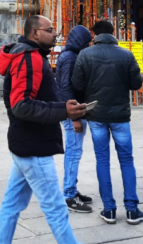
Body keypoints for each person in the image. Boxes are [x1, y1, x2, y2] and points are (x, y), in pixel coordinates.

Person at [0, 15, 86, 244]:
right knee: (56, 210)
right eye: (50, 29)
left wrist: (63, 108)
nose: (55, 33)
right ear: (35, 33)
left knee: (11, 205)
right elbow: (21, 105)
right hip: (33, 144)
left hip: (23, 142)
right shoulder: (29, 58)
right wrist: (63, 110)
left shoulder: (29, 56)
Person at [72, 20, 143, 225]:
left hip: (96, 115)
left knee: (102, 160)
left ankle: (109, 209)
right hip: (120, 116)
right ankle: (132, 209)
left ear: (94, 35)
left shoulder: (85, 55)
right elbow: (136, 84)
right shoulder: (126, 54)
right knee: (127, 160)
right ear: (113, 33)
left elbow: (76, 83)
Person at [55, 25, 93, 213]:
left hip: (74, 110)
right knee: (73, 152)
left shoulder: (70, 55)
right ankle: (69, 195)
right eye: (86, 41)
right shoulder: (70, 58)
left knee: (75, 151)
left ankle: (72, 189)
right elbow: (66, 88)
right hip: (72, 112)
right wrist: (75, 117)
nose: (88, 44)